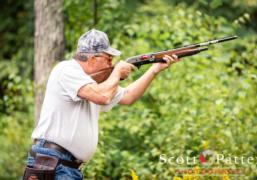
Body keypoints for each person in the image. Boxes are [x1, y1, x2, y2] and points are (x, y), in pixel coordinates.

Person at [23, 29, 179, 179]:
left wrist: (154, 70)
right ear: (92, 58)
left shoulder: (94, 84)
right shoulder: (66, 69)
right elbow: (103, 96)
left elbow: (128, 96)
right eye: (108, 58)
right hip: (54, 163)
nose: (111, 64)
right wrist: (117, 73)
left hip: (66, 166)